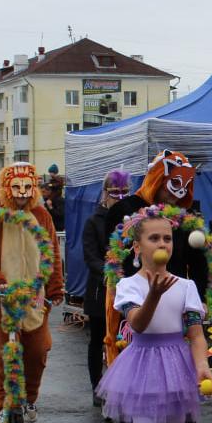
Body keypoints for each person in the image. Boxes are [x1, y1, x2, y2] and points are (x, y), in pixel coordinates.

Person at [96, 209, 212, 423]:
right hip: (143, 365)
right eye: (154, 238)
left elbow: (195, 333)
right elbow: (139, 325)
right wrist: (154, 295)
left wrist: (202, 366)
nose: (162, 243)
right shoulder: (129, 285)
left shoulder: (187, 286)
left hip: (177, 366)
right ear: (138, 247)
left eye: (166, 238)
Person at [102, 150, 211, 423]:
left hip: (178, 307)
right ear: (158, 179)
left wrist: (202, 303)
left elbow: (201, 263)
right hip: (137, 306)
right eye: (173, 183)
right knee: (138, 394)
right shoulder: (128, 210)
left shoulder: (187, 219)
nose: (178, 191)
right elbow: (113, 256)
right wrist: (125, 293)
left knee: (184, 390)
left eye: (186, 185)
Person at [0, 162, 65, 423]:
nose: (23, 193)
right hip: (2, 298)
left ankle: (29, 399)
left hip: (35, 298)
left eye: (28, 187)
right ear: (6, 188)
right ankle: (1, 405)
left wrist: (55, 286)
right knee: (4, 354)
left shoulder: (41, 214)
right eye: (17, 187)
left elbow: (52, 252)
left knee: (37, 352)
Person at [82, 170, 132, 405]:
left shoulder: (133, 220)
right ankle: (96, 386)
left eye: (125, 193)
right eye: (115, 194)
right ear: (105, 194)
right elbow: (91, 256)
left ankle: (123, 384)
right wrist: (111, 274)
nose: (120, 199)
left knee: (125, 338)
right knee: (99, 338)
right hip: (101, 289)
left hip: (128, 290)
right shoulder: (93, 221)